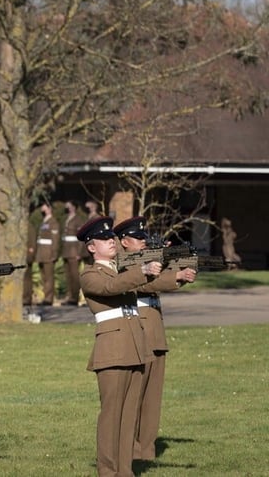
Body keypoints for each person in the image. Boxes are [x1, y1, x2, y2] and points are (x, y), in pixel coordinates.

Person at [78, 216, 159, 477]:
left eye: (111, 237)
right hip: (112, 350)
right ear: (91, 247)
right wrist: (142, 271)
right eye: (104, 239)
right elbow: (111, 287)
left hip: (134, 346)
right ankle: (108, 470)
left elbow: (145, 282)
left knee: (128, 416)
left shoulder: (122, 269)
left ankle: (125, 470)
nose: (111, 241)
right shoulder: (90, 274)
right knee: (112, 415)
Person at [113, 217, 195, 463]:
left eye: (145, 239)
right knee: (134, 399)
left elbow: (167, 279)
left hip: (155, 334)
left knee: (152, 401)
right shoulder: (123, 263)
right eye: (138, 239)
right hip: (137, 333)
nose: (143, 243)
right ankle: (128, 452)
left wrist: (176, 263)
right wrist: (171, 273)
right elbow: (149, 284)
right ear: (125, 241)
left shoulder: (147, 260)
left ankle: (146, 453)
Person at [25, 202, 60, 305]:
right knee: (44, 277)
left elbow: (55, 239)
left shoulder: (53, 222)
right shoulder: (44, 221)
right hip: (41, 252)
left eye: (44, 207)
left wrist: (54, 254)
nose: (42, 209)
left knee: (49, 277)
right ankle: (45, 297)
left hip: (48, 253)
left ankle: (49, 299)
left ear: (49, 208)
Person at [61, 200, 86, 306]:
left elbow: (81, 238)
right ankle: (69, 296)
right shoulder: (66, 218)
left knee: (74, 275)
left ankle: (75, 297)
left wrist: (79, 252)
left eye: (70, 206)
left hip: (74, 250)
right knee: (68, 275)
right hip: (66, 250)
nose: (68, 208)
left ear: (74, 207)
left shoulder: (78, 219)